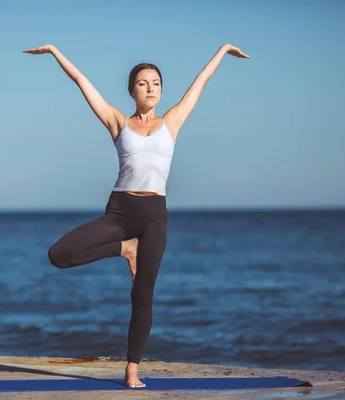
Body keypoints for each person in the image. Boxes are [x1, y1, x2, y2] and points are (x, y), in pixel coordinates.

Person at [23, 43, 250, 388]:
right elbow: (83, 82)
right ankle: (124, 248)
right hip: (119, 213)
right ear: (132, 90)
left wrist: (222, 51)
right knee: (59, 254)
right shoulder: (118, 122)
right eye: (143, 83)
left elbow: (200, 82)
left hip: (154, 216)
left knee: (142, 294)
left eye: (156, 83)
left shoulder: (171, 122)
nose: (150, 88)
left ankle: (132, 369)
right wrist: (55, 52)